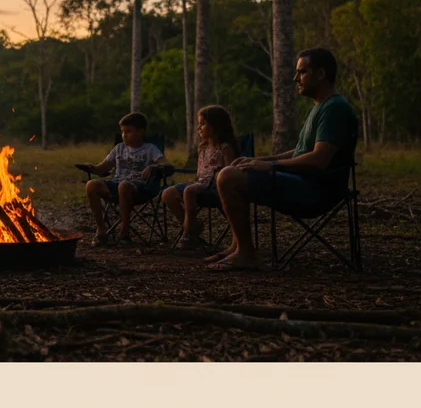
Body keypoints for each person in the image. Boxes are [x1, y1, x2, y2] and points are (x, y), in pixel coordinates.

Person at [211, 47, 359, 271]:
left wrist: (269, 166)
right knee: (235, 169)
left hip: (316, 191)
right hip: (303, 182)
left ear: (321, 74)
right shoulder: (319, 108)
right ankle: (238, 246)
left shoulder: (335, 109)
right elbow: (299, 151)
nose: (295, 78)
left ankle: (246, 253)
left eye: (302, 72)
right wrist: (258, 159)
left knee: (228, 178)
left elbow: (319, 159)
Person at [77, 112, 170, 247]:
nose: (124, 135)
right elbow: (102, 169)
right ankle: (101, 230)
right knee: (91, 184)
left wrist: (154, 166)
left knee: (124, 185)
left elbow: (167, 165)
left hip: (140, 187)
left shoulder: (150, 149)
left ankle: (124, 231)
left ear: (141, 132)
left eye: (128, 131)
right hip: (116, 183)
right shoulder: (119, 148)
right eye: (122, 132)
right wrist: (92, 168)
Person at [161, 106, 238, 254]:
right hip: (200, 184)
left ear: (215, 126)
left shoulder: (225, 147)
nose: (199, 127)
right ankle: (193, 225)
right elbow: (200, 172)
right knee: (167, 194)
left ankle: (188, 234)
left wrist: (219, 173)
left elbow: (231, 173)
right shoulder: (202, 147)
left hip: (216, 187)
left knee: (190, 190)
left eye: (202, 124)